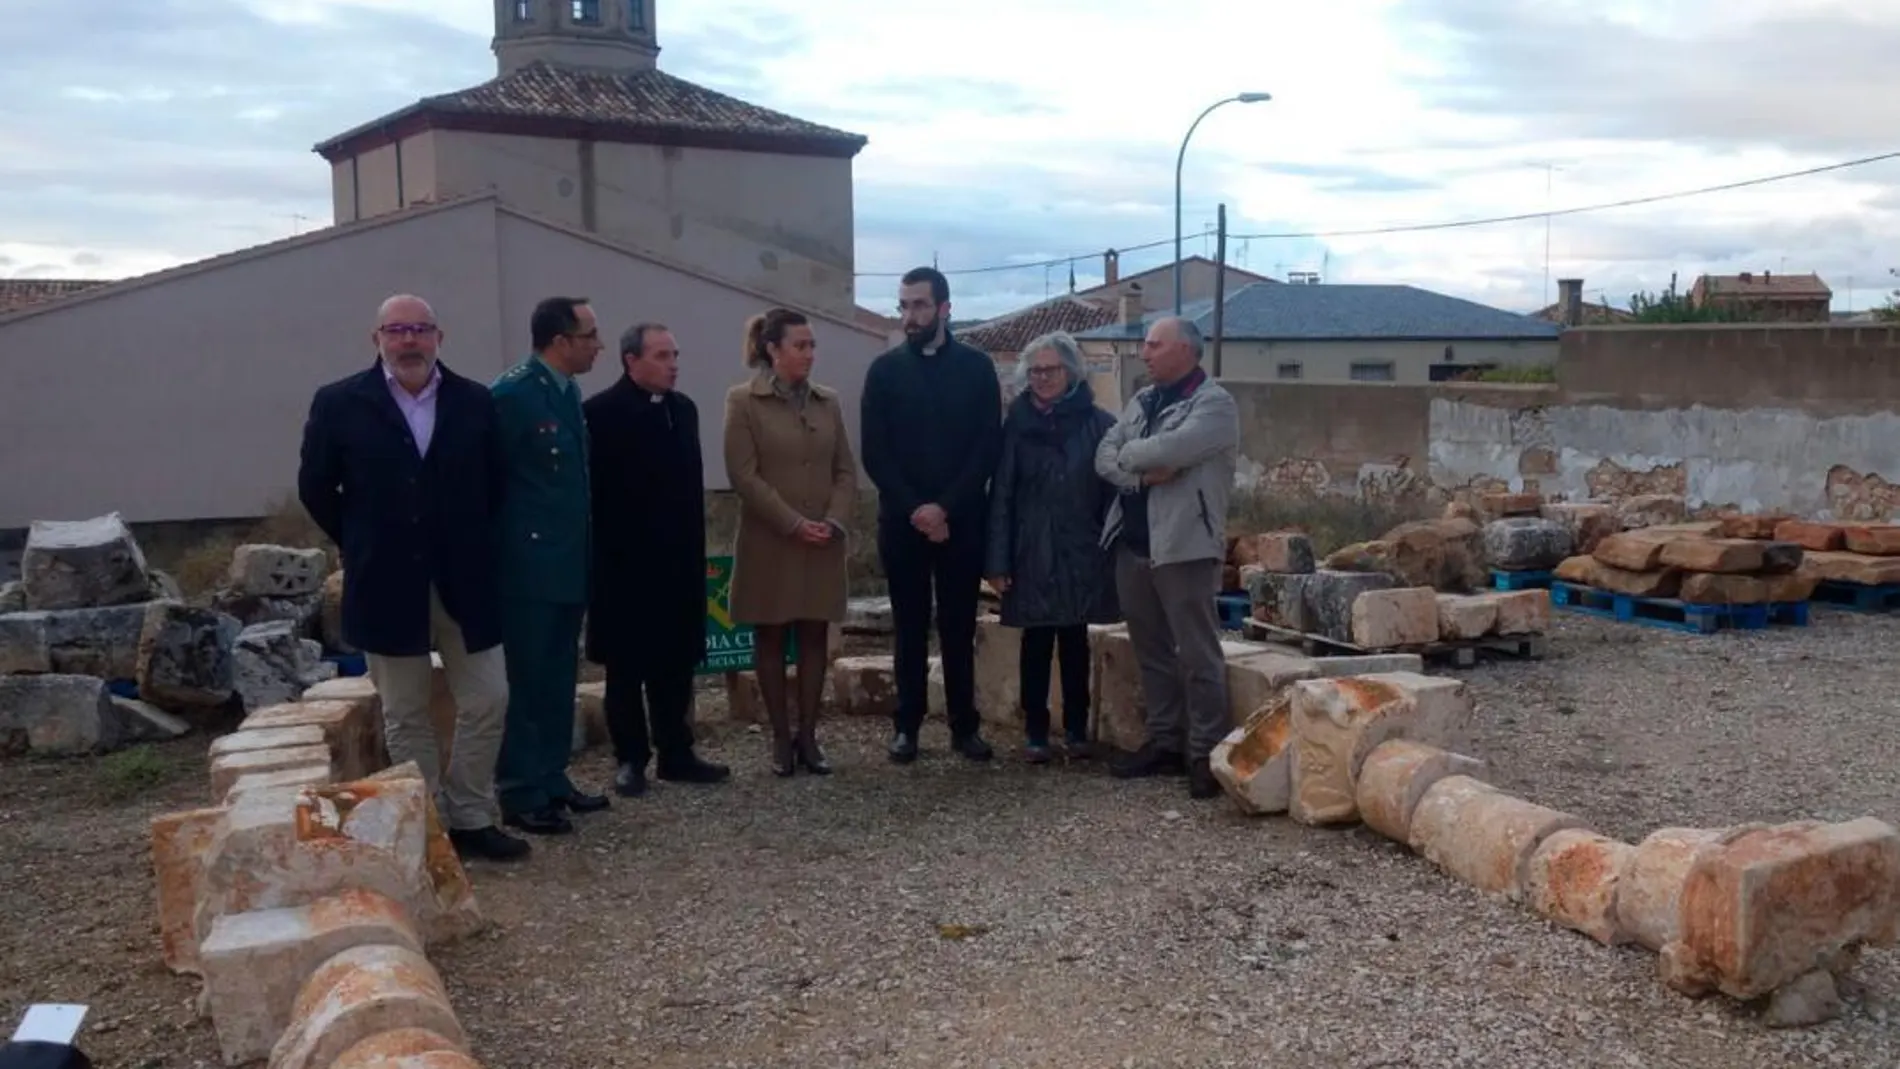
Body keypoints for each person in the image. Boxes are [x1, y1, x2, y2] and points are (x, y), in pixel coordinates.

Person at [296, 294, 528, 861]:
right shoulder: (339, 403)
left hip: (465, 579)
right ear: (375, 338)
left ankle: (471, 813)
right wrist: (362, 542)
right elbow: (316, 488)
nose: (409, 341)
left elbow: (498, 485)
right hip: (386, 580)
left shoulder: (474, 402)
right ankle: (426, 826)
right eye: (397, 330)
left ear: (439, 338)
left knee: (489, 696)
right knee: (405, 711)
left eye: (420, 329)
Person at [859, 267, 1004, 764]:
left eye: (919, 305)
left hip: (961, 520)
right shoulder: (884, 372)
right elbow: (875, 453)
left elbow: (986, 447)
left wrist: (944, 507)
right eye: (903, 306)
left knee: (959, 627)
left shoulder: (977, 369)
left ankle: (965, 726)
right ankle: (907, 725)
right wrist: (917, 509)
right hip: (902, 523)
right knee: (909, 626)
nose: (909, 316)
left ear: (945, 308)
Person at [1093, 316, 1241, 799]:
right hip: (1133, 544)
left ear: (1185, 350)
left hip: (1185, 546)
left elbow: (1171, 447)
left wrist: (1134, 456)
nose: (1145, 352)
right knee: (1151, 650)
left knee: (1198, 654)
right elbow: (1104, 455)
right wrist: (1140, 471)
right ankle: (1165, 741)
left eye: (1155, 345)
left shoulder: (1215, 405)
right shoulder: (1143, 399)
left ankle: (1205, 752)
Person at [584, 322, 729, 797]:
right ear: (632, 361)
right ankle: (630, 758)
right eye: (663, 356)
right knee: (626, 669)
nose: (673, 365)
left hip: (678, 562)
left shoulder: (682, 411)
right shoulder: (599, 414)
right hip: (624, 565)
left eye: (675, 354)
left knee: (676, 662)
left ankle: (677, 752)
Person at [490, 296, 610, 834]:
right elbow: (489, 482)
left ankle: (552, 775)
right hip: (527, 566)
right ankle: (520, 788)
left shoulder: (566, 391)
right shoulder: (513, 395)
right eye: (589, 335)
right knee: (528, 677)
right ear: (560, 342)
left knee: (560, 676)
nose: (598, 345)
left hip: (568, 561)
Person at [723, 307, 859, 776]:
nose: (809, 354)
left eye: (812, 345)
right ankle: (781, 737)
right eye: (800, 345)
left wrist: (834, 520)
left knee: (815, 633)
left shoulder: (828, 402)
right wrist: (792, 522)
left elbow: (845, 468)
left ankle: (809, 737)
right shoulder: (744, 402)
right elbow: (743, 474)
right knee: (771, 633)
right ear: (772, 350)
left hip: (822, 539)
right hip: (772, 540)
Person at [984, 330, 1121, 763]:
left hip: (1081, 549)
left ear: (1071, 371)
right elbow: (1001, 494)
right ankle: (1036, 732)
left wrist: (1108, 546)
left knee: (1076, 639)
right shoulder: (1016, 428)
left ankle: (1078, 731)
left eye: (1051, 369)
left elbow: (1114, 494)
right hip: (1031, 550)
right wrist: (997, 559)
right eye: (1036, 370)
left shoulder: (1100, 425)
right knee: (1036, 642)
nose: (1042, 377)